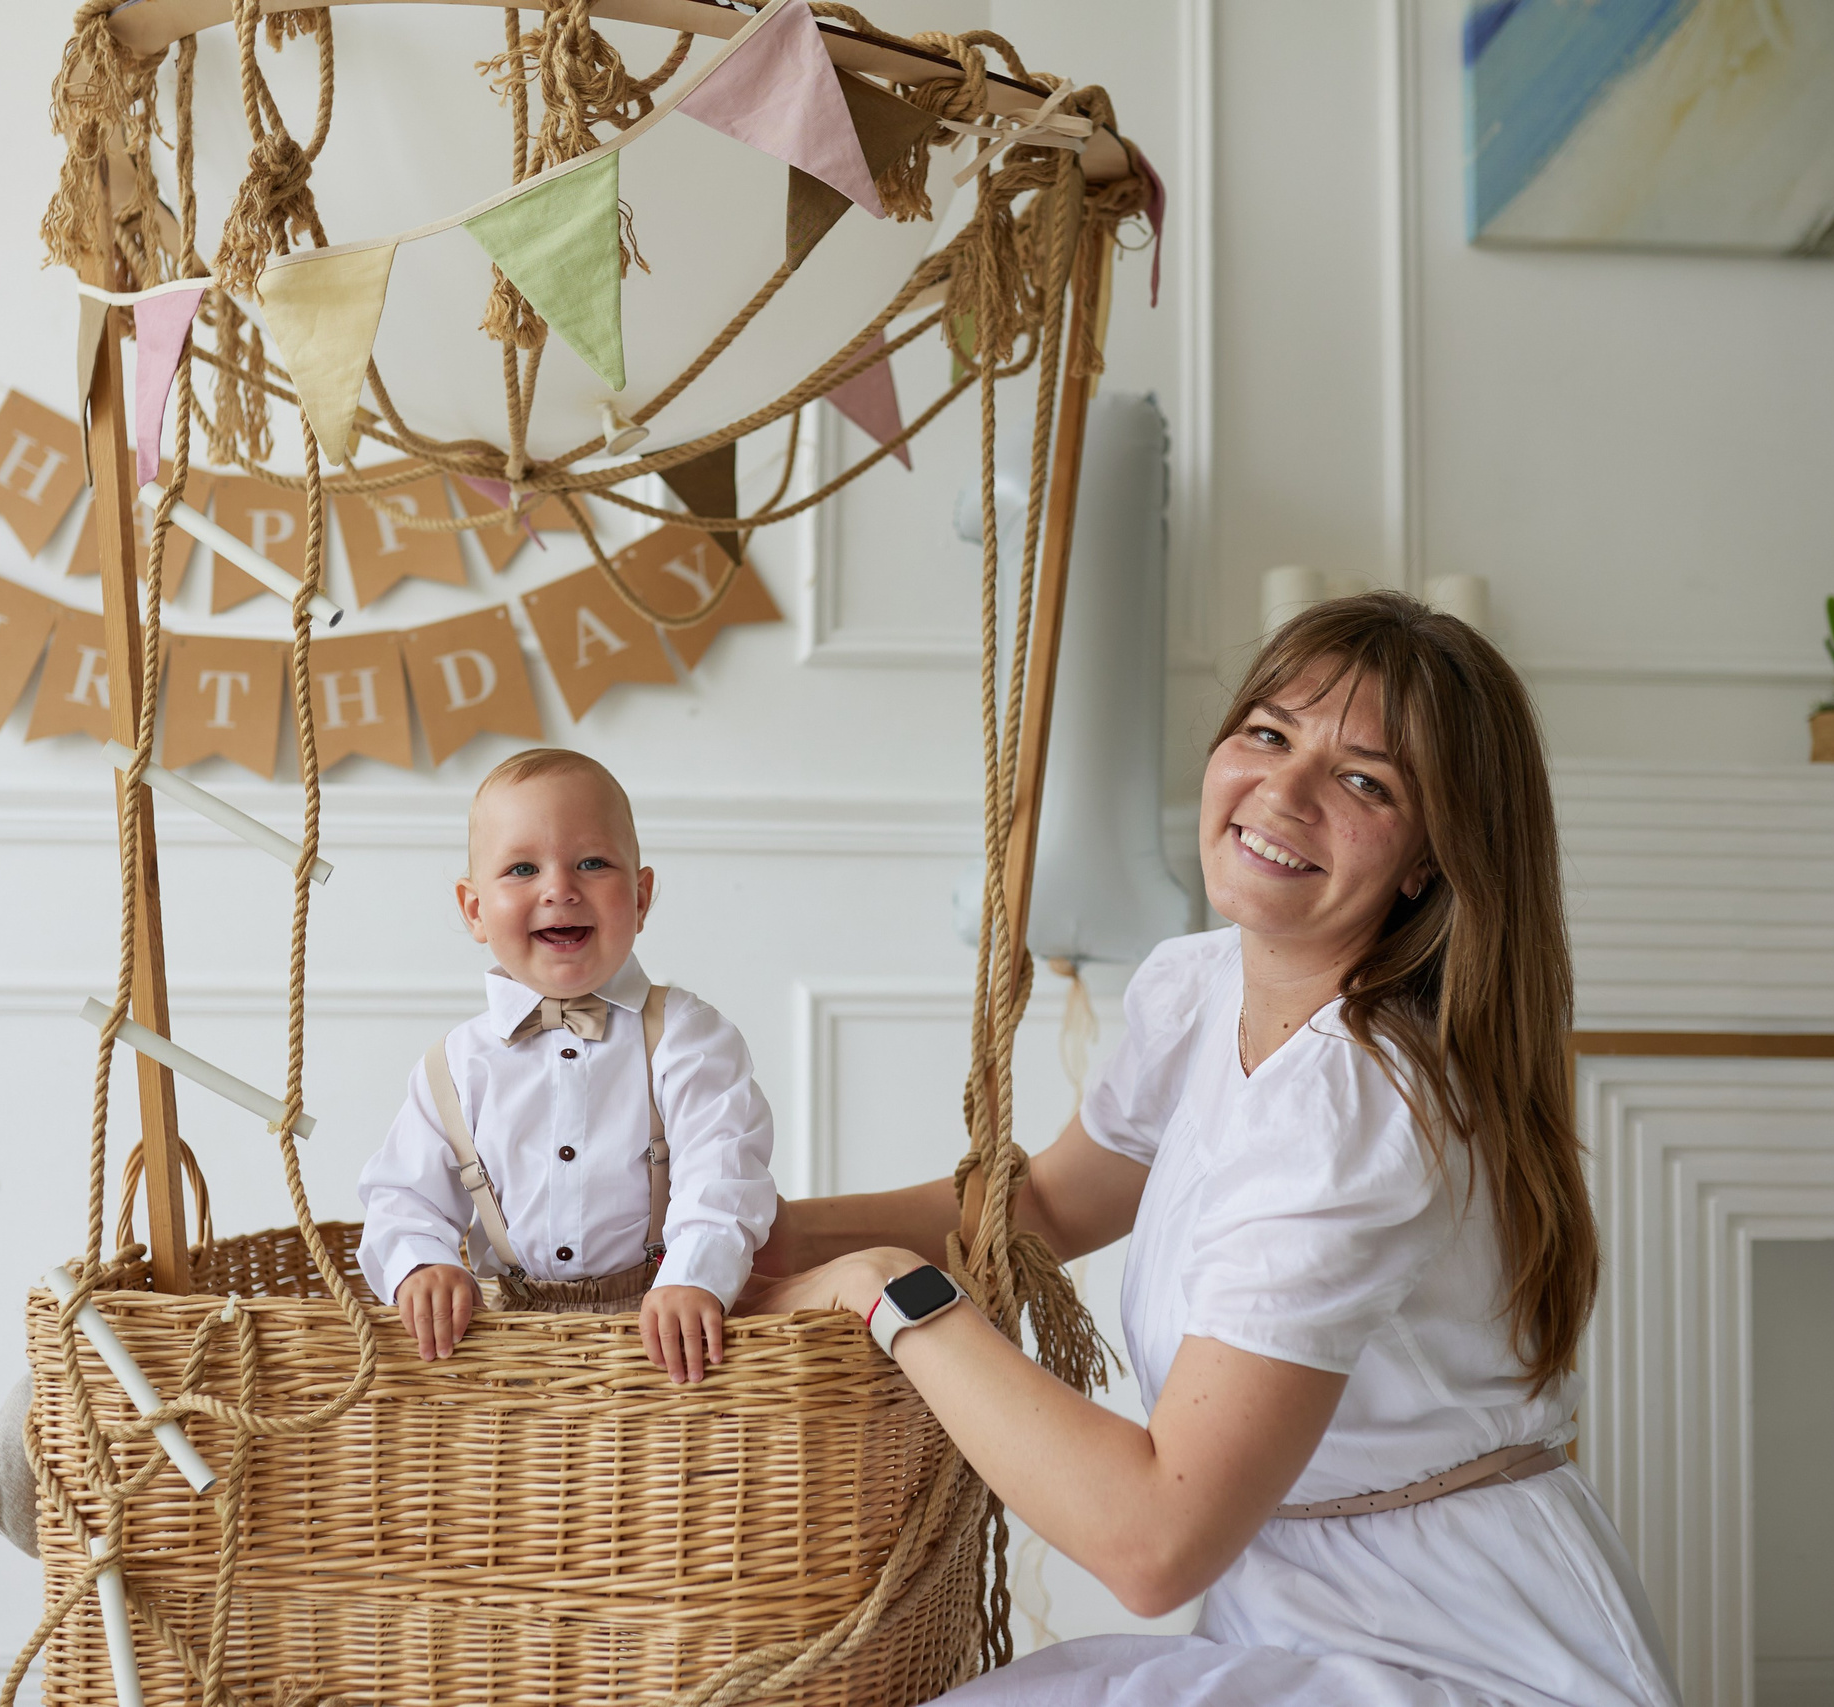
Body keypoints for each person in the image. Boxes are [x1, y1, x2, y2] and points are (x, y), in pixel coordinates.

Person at [750, 596, 1680, 1705]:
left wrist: (884, 1293)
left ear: (1432, 861)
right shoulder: (1197, 986)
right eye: (1268, 733)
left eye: (1364, 781)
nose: (1281, 793)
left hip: (1455, 1651)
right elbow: (1046, 1203)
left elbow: (1153, 1541)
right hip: (1281, 1616)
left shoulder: (1354, 1106)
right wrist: (765, 1231)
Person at [358, 747, 777, 1384]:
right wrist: (422, 1265)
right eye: (523, 868)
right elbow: (404, 1197)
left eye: (592, 863)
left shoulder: (686, 1036)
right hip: (511, 1344)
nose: (559, 888)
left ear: (641, 897)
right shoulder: (455, 1065)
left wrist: (696, 1276)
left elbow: (723, 1171)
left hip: (667, 1331)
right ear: (474, 910)